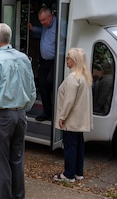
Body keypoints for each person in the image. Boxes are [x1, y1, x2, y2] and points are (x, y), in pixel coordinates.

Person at [0, 23, 36, 199]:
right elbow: (32, 89)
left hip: (1, 115)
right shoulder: (23, 58)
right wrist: (23, 109)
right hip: (20, 114)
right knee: (16, 160)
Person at [53, 48, 93, 182]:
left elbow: (69, 101)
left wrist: (62, 116)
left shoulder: (72, 78)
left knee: (69, 146)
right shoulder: (84, 77)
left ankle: (68, 174)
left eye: (68, 58)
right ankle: (78, 172)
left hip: (71, 119)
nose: (66, 60)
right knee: (79, 146)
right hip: (80, 120)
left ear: (74, 60)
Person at [28, 7, 56, 121]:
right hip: (44, 62)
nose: (42, 23)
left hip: (55, 62)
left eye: (44, 20)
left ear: (51, 16)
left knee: (51, 84)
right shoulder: (45, 25)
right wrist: (33, 28)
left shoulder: (60, 24)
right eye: (40, 21)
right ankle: (47, 112)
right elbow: (42, 30)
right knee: (43, 86)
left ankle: (56, 113)